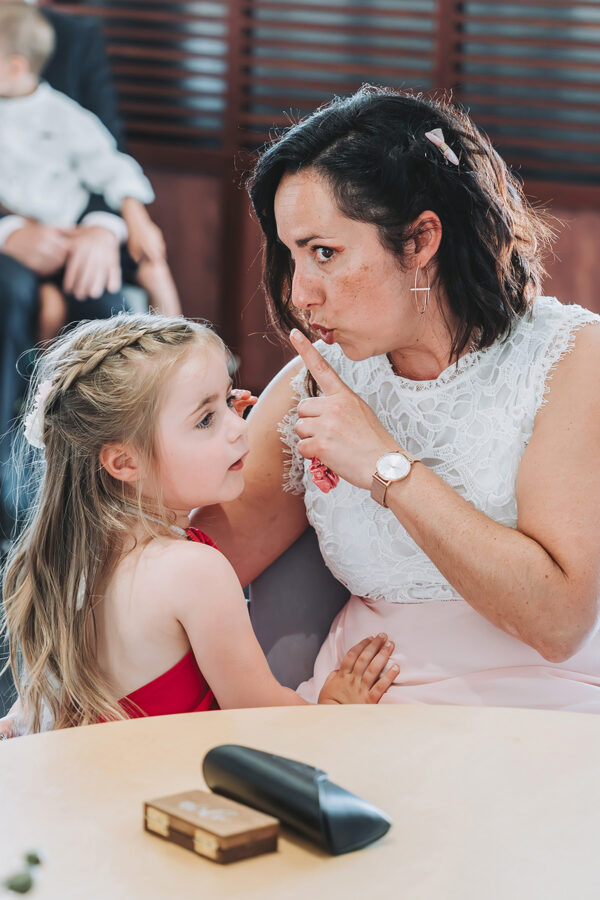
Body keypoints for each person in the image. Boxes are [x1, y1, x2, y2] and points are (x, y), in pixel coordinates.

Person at [192, 86, 600, 712]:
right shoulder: (321, 375)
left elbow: (557, 623)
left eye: (325, 253)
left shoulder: (570, 360)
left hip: (543, 708)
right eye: (291, 254)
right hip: (361, 703)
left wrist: (385, 466)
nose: (301, 294)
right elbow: (199, 567)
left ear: (420, 241)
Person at [0, 314, 398, 737]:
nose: (239, 427)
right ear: (124, 462)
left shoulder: (70, 562)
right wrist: (336, 705)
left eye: (229, 401)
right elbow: (262, 716)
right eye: (205, 420)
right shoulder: (195, 570)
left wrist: (209, 419)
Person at [0, 3, 181, 339]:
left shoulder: (63, 112)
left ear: (15, 66)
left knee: (102, 291)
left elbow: (110, 161)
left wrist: (111, 224)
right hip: (18, 237)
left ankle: (162, 360)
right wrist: (7, 231)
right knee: (31, 298)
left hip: (75, 228)